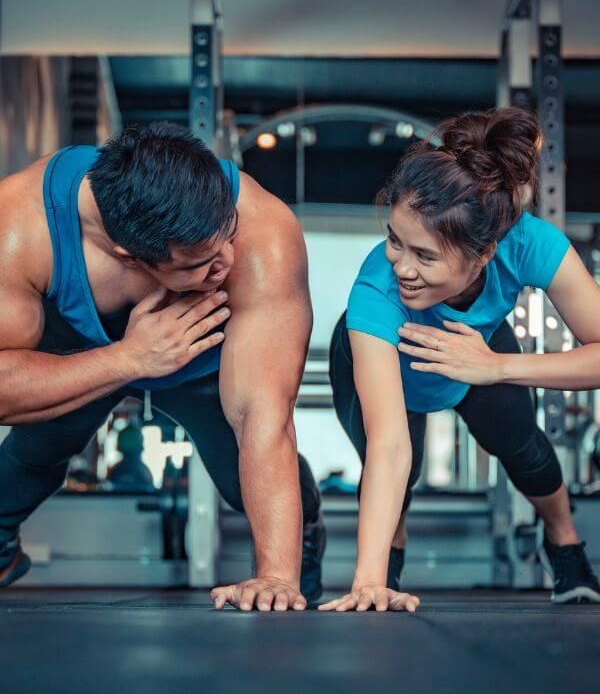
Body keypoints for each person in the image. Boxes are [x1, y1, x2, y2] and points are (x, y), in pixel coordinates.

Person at [0, 122, 325, 610]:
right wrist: (130, 358)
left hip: (206, 355)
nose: (227, 262)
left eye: (227, 238)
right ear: (127, 256)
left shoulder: (265, 231)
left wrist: (276, 575)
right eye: (200, 262)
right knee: (39, 450)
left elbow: (265, 415)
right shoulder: (19, 228)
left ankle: (303, 544)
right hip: (85, 347)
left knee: (244, 476)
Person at [321, 107, 600, 613]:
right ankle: (386, 564)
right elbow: (388, 447)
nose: (402, 267)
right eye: (394, 241)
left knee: (522, 445)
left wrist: (496, 367)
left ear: (485, 253)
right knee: (397, 472)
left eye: (425, 256)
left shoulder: (531, 244)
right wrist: (366, 582)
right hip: (383, 361)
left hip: (477, 354)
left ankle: (565, 544)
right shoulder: (374, 295)